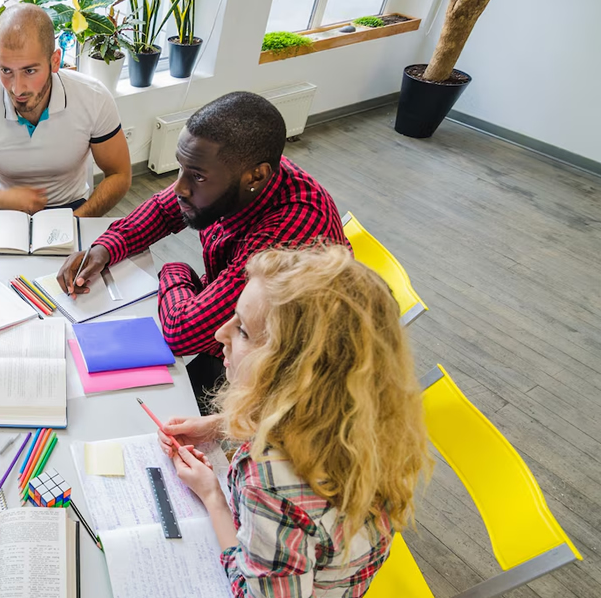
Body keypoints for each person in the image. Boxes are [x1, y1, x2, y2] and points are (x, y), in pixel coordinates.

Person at [158, 245, 429, 598]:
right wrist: (218, 425)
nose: (220, 334)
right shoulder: (366, 412)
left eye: (242, 331)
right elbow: (299, 416)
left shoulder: (270, 483)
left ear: (291, 370)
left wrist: (213, 496)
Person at [57, 92, 348, 401]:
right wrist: (105, 247)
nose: (180, 187)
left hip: (286, 376)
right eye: (181, 168)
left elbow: (183, 332)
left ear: (256, 176)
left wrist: (175, 271)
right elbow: (163, 209)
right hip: (238, 334)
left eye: (196, 176)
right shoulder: (243, 171)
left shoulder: (284, 240)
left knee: (155, 400)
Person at [0, 3, 131, 216]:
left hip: (74, 208)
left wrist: (75, 222)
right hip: (6, 210)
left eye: (30, 70)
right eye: (6, 70)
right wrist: (1, 199)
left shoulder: (93, 97)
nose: (17, 88)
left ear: (55, 61)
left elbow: (119, 174)